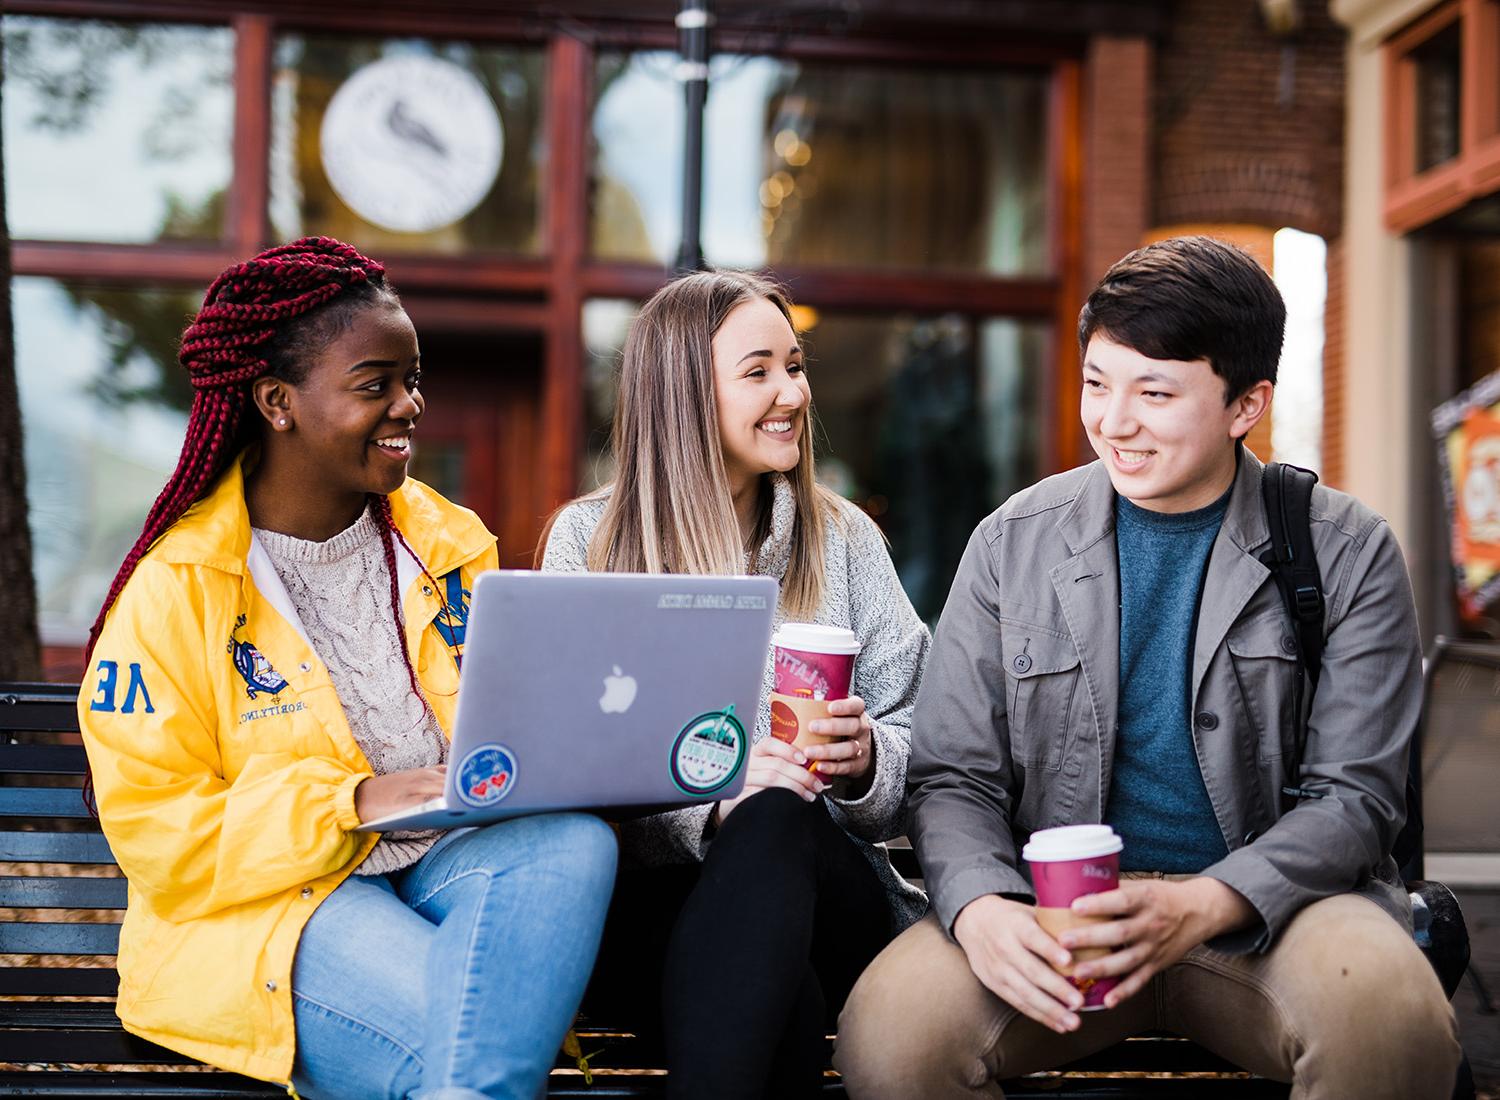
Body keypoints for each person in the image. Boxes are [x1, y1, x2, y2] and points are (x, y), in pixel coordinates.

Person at [834, 236, 1463, 1099]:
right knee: (891, 1036)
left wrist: (1204, 903)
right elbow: (953, 778)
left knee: (1394, 1026)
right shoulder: (1011, 541)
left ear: (1248, 403)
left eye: (1154, 392)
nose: (1113, 422)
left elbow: (1355, 800)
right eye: (1098, 382)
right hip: (1054, 915)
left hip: (1276, 914)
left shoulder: (1346, 548)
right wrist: (980, 906)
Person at [77, 237, 617, 1100]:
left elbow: (509, 717)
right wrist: (354, 801)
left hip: (443, 862)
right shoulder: (177, 588)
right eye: (376, 385)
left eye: (412, 379)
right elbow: (156, 833)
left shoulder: (449, 542)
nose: (409, 406)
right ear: (277, 402)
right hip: (279, 904)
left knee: (572, 842)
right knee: (466, 1043)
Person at [541, 269, 930, 1098]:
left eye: (795, 364)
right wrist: (709, 796)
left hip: (833, 894)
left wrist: (865, 760)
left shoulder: (845, 538)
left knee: (776, 814)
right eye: (758, 371)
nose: (792, 391)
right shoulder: (590, 542)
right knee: (775, 1003)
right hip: (659, 904)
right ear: (683, 394)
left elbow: (926, 744)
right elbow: (567, 769)